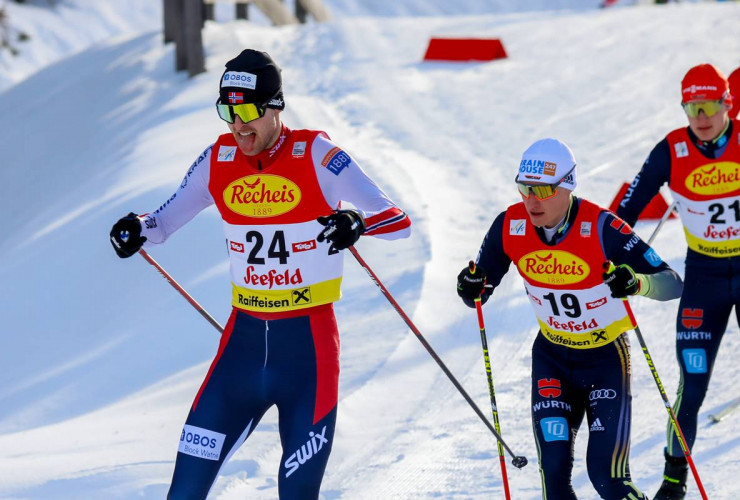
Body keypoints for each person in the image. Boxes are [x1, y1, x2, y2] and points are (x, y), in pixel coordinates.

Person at [109, 49, 411, 499]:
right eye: (227, 111)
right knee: (184, 491)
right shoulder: (218, 158)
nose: (237, 124)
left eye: (248, 110)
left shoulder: (317, 154)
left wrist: (358, 224)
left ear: (275, 107)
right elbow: (164, 221)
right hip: (242, 348)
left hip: (307, 352)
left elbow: (397, 219)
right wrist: (138, 228)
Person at [457, 138, 683, 499]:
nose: (532, 200)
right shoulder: (508, 226)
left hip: (604, 359)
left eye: (543, 190)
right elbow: (479, 292)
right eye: (525, 188)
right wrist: (469, 287)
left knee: (607, 479)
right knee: (555, 479)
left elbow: (672, 284)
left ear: (568, 185)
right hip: (552, 360)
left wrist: (635, 282)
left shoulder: (602, 227)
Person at [616, 63, 737, 500]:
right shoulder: (671, 149)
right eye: (691, 108)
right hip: (704, 277)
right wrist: (607, 257)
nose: (700, 118)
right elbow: (625, 211)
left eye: (708, 106)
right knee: (693, 379)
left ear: (727, 104)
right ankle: (673, 480)